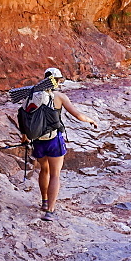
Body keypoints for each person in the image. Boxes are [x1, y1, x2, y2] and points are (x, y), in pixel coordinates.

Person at [21, 67, 99, 221]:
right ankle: (50, 210)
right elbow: (77, 115)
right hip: (53, 139)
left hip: (38, 140)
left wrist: (25, 136)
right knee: (55, 174)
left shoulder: (32, 96)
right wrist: (91, 120)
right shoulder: (60, 97)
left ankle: (44, 202)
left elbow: (25, 118)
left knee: (44, 169)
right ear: (56, 80)